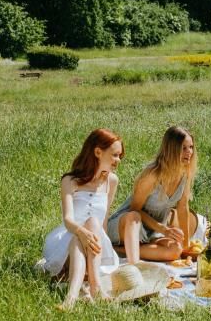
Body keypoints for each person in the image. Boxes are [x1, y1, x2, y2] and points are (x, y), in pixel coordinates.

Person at [42, 128, 124, 310]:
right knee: (79, 237)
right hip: (69, 239)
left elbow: (103, 221)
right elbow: (68, 220)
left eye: (120, 156)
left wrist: (101, 243)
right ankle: (95, 289)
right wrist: (82, 233)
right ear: (97, 152)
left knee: (94, 223)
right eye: (115, 155)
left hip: (95, 245)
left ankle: (71, 299)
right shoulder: (70, 181)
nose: (118, 160)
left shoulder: (112, 181)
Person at [108, 126, 196, 263]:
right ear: (172, 149)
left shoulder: (185, 174)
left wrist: (187, 245)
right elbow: (134, 209)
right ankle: (123, 247)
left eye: (191, 147)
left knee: (175, 250)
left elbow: (183, 208)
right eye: (184, 148)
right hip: (129, 224)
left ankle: (121, 250)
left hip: (154, 232)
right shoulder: (153, 174)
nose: (189, 152)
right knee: (134, 218)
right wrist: (163, 229)